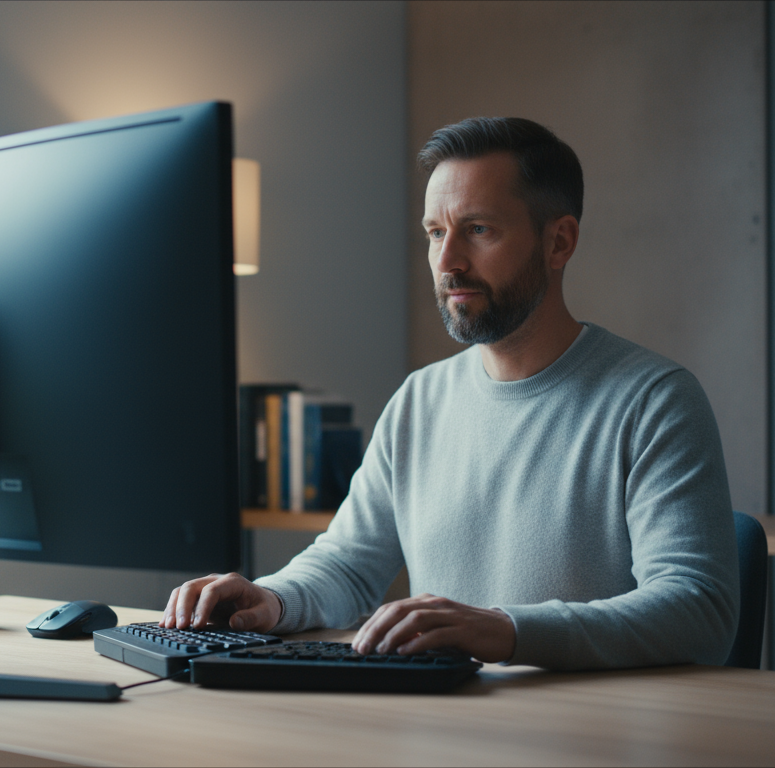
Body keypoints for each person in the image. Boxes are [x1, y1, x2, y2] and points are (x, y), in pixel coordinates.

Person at [162, 117, 739, 670]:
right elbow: (348, 565)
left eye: (478, 230)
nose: (447, 261)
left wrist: (505, 632)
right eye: (436, 233)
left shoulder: (655, 401)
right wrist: (273, 600)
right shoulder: (420, 400)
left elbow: (699, 609)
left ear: (559, 242)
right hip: (441, 731)